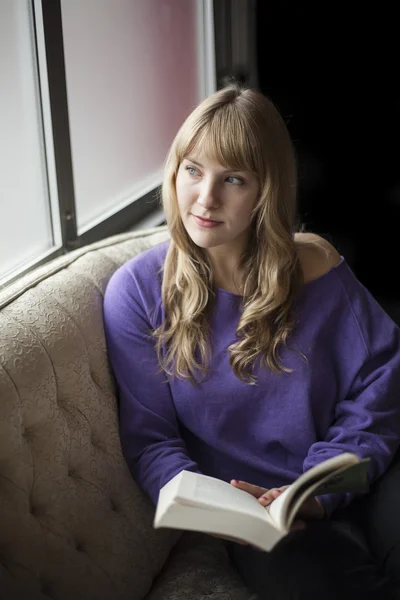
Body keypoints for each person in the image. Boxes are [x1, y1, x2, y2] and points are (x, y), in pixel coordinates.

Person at [103, 83, 400, 599]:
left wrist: (321, 489)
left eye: (233, 179)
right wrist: (218, 511)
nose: (206, 197)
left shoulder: (317, 268)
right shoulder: (135, 293)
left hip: (352, 477)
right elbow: (151, 442)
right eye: (193, 170)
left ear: (267, 190)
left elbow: (384, 382)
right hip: (261, 517)